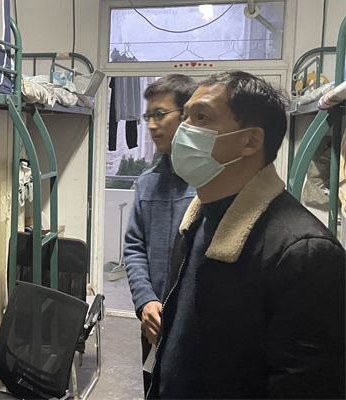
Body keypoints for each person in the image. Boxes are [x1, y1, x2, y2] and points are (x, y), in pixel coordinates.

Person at [148, 70, 346, 399]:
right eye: (185, 117)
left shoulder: (304, 253)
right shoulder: (196, 222)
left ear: (250, 141)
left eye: (201, 117)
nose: (183, 130)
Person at [123, 74, 198, 396]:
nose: (152, 125)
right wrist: (146, 302)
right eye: (148, 116)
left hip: (198, 328)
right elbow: (134, 248)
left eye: (160, 114)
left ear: (187, 116)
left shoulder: (211, 185)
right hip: (154, 322)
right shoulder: (147, 184)